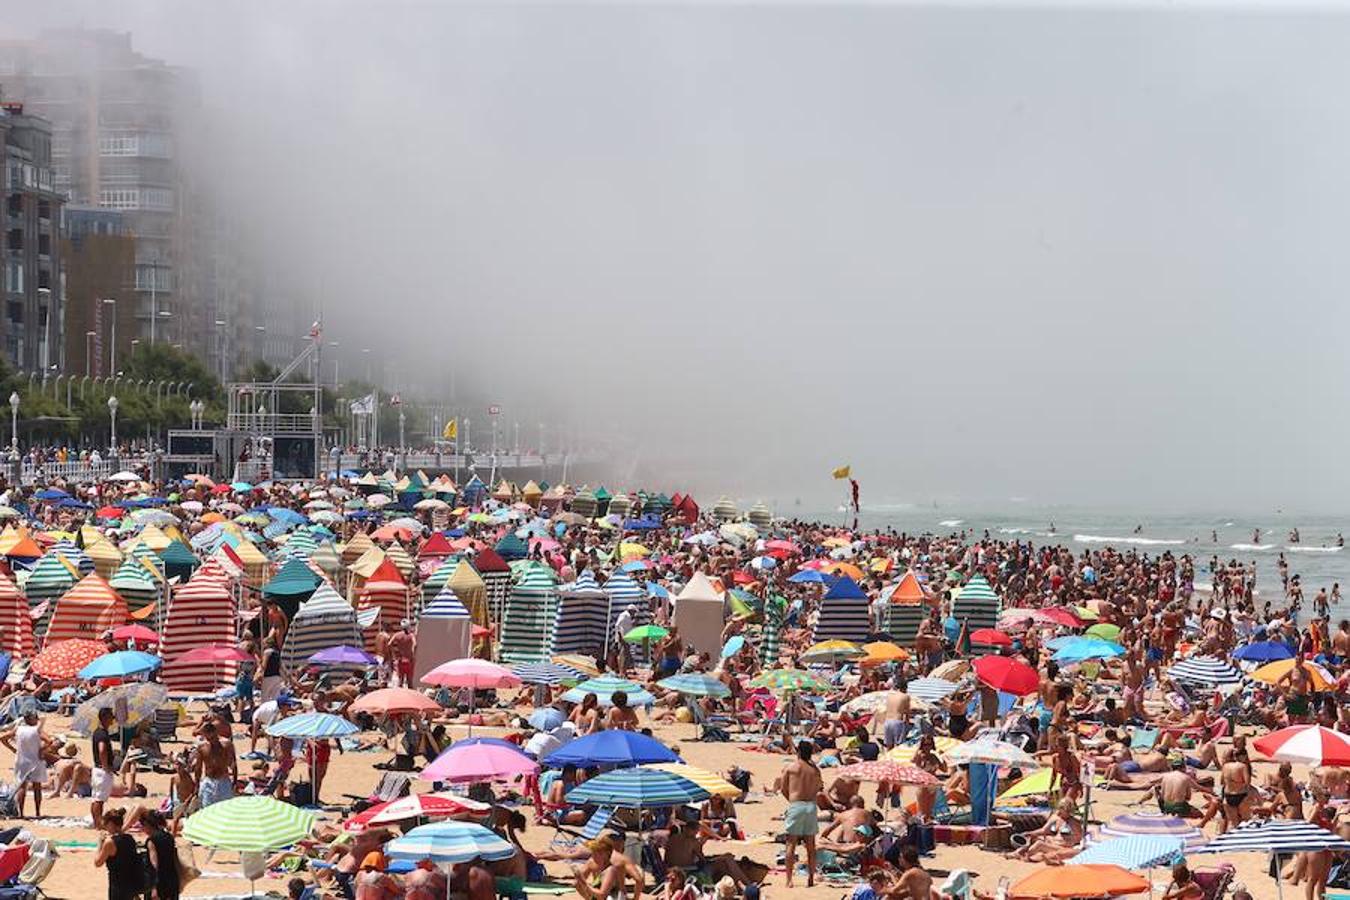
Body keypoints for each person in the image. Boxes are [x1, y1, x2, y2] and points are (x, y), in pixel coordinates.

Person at [780, 739, 822, 888]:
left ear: (798, 751)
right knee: (811, 845)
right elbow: (819, 787)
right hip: (810, 805)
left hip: (796, 804)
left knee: (791, 843)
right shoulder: (815, 770)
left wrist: (791, 800)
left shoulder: (791, 767)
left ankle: (789, 880)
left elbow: (783, 787)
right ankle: (810, 878)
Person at [0, 710, 49, 818]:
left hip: (21, 760)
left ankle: (21, 813)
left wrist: (13, 749)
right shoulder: (37, 730)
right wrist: (41, 750)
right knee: (37, 786)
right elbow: (49, 741)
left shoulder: (18, 729)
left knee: (22, 786)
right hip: (36, 760)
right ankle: (37, 812)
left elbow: (3, 738)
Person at [94, 807, 144, 900]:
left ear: (111, 824)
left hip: (118, 886)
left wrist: (100, 844)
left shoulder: (110, 842)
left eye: (106, 824)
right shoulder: (130, 839)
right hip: (131, 884)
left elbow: (98, 863)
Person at [192, 720, 237, 808]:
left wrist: (234, 782)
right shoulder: (202, 747)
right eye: (208, 738)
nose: (210, 741)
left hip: (224, 780)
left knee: (226, 808)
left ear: (216, 733)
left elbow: (234, 764)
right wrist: (197, 785)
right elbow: (198, 768)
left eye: (212, 738)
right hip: (209, 781)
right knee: (207, 809)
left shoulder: (227, 745)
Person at [143, 809, 182, 900]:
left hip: (160, 883)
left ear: (149, 825)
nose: (143, 828)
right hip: (172, 880)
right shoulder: (169, 837)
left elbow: (154, 865)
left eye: (144, 825)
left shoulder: (151, 841)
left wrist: (153, 888)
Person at [91, 706, 118, 826]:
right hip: (102, 770)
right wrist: (106, 766)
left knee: (96, 798)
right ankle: (98, 824)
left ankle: (97, 822)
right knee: (99, 800)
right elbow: (102, 750)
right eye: (111, 717)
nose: (112, 720)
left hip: (97, 769)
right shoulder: (102, 734)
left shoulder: (98, 732)